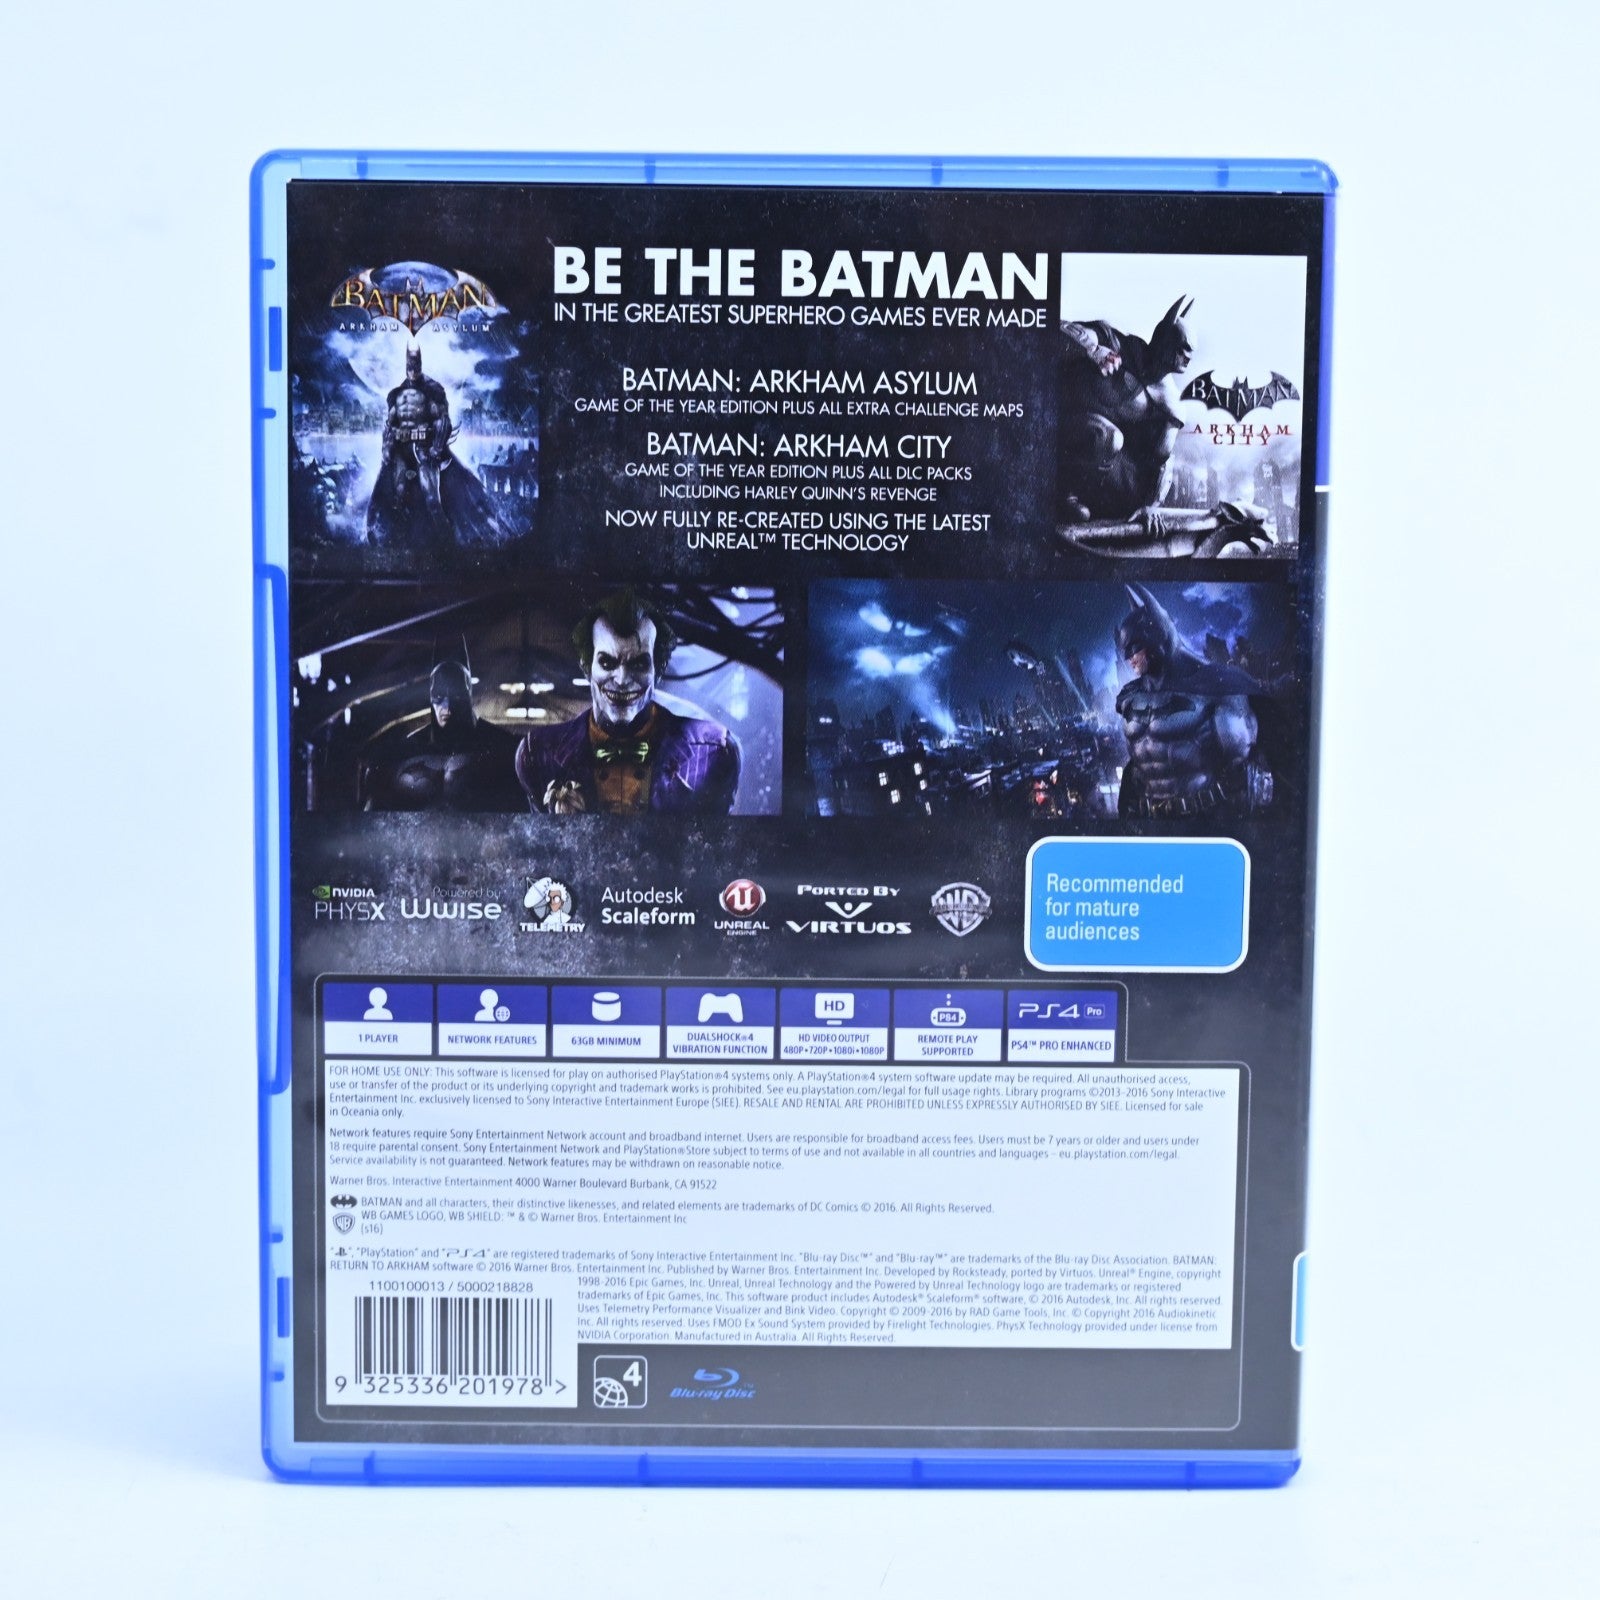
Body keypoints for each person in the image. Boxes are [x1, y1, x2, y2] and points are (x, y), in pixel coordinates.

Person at [515, 589, 740, 815]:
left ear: (658, 670)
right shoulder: (539, 753)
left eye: (639, 664)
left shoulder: (713, 752)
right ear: (587, 667)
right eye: (607, 662)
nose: (622, 679)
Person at [1113, 584, 1273, 818]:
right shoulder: (1129, 697)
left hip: (1202, 818)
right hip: (1149, 820)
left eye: (1134, 648)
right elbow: (1136, 768)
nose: (1129, 658)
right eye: (1125, 650)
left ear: (1154, 641)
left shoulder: (1217, 688)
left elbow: (1244, 771)